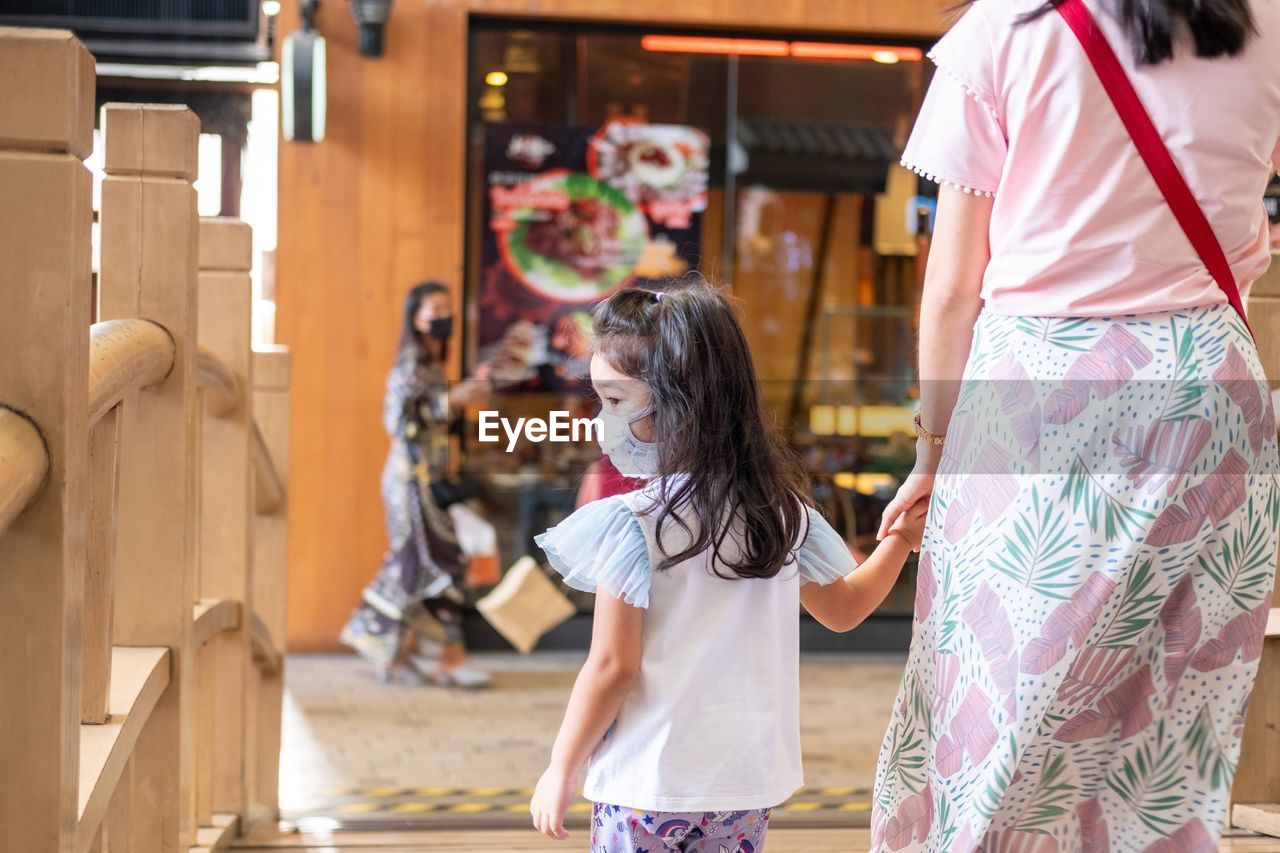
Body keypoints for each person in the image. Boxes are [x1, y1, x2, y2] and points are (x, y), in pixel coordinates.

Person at [873, 0, 1280, 849]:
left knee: (999, 715)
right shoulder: (1267, 25)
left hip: (1043, 394)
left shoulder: (1004, 31)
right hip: (1214, 391)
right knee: (1167, 741)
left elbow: (953, 284)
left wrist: (930, 452)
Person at [527, 278, 929, 851]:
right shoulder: (779, 512)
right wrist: (900, 540)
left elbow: (612, 665)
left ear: (678, 399)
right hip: (743, 784)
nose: (603, 418)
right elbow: (844, 609)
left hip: (648, 783)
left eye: (615, 401)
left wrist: (561, 766)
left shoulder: (633, 523)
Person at [340, 281, 492, 688]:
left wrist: (460, 405)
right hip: (411, 483)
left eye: (447, 307)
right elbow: (397, 423)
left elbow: (434, 422)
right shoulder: (410, 365)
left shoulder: (431, 363)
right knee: (434, 565)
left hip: (429, 481)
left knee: (426, 568)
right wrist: (449, 402)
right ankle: (428, 653)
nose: (443, 315)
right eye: (434, 308)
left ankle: (402, 654)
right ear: (416, 317)